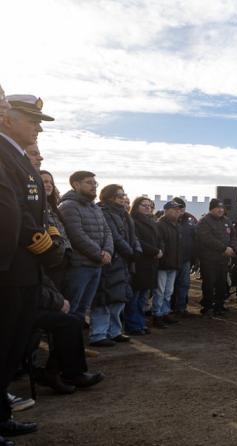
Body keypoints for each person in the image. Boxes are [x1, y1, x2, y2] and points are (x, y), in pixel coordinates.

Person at [0, 92, 61, 441]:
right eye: (33, 120)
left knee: (13, 346)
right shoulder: (4, 153)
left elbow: (38, 209)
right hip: (12, 265)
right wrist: (43, 244)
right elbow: (14, 211)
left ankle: (1, 415)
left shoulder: (20, 157)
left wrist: (51, 237)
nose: (38, 127)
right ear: (9, 119)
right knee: (4, 344)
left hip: (27, 267)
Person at [59, 170, 114, 321]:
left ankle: (74, 342)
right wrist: (100, 254)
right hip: (79, 266)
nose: (94, 186)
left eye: (95, 183)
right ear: (76, 184)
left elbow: (107, 231)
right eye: (89, 182)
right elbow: (76, 235)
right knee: (71, 307)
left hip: (96, 265)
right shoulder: (68, 206)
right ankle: (64, 342)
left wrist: (108, 250)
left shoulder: (95, 207)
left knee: (83, 309)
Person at [90, 184, 140, 346]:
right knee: (104, 299)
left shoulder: (124, 214)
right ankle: (99, 334)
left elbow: (133, 236)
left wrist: (137, 249)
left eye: (123, 194)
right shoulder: (103, 212)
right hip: (112, 261)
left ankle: (114, 331)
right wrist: (130, 252)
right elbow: (115, 237)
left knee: (119, 299)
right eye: (120, 195)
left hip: (124, 262)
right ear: (110, 196)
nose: (123, 197)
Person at [196, 199, 237, 317]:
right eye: (217, 208)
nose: (220, 210)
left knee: (222, 283)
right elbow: (207, 239)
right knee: (209, 283)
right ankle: (207, 307)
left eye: (222, 208)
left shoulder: (227, 221)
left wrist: (232, 248)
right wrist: (224, 248)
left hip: (223, 260)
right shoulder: (204, 221)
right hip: (209, 259)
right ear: (211, 209)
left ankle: (219, 305)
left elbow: (233, 235)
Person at [128, 197, 160, 335]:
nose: (148, 208)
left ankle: (140, 323)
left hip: (151, 263)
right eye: (144, 205)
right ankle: (133, 325)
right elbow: (137, 241)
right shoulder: (132, 221)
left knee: (143, 297)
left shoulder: (151, 221)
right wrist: (154, 251)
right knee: (135, 297)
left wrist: (159, 249)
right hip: (140, 262)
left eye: (150, 206)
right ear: (136, 206)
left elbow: (159, 239)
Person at [152, 200, 182, 328]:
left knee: (168, 291)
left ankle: (165, 312)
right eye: (174, 209)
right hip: (163, 264)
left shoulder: (177, 226)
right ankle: (157, 315)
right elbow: (159, 244)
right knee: (160, 291)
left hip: (173, 264)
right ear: (166, 210)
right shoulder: (160, 225)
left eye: (178, 209)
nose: (177, 211)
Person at [171, 197, 197, 316]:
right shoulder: (167, 220)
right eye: (178, 207)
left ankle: (181, 307)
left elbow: (196, 238)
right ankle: (170, 307)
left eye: (182, 207)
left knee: (184, 284)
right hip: (171, 258)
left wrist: (195, 257)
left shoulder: (191, 220)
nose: (180, 210)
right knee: (170, 285)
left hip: (186, 258)